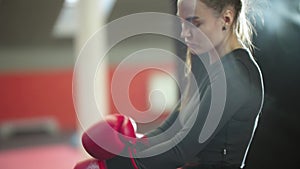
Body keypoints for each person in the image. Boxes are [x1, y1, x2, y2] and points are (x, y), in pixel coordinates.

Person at [74, 0, 264, 169]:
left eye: (194, 23)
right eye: (181, 23)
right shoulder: (205, 63)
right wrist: (132, 144)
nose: (184, 33)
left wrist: (110, 166)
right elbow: (172, 128)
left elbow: (181, 150)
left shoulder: (237, 76)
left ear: (227, 19)